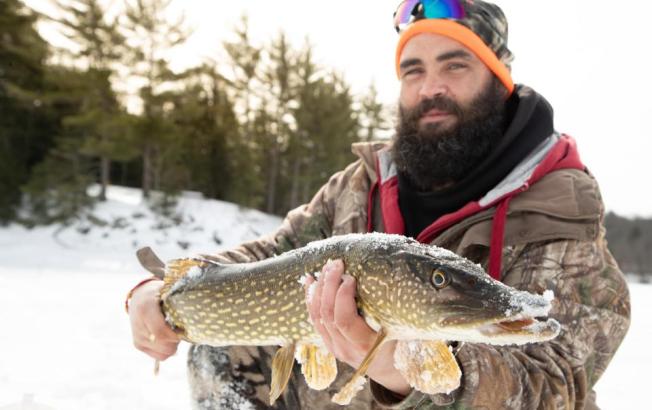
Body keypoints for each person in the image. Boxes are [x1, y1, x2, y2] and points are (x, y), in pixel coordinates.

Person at [126, 0, 631, 408]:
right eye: (413, 71)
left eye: (455, 65)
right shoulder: (358, 186)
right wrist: (161, 290)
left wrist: (405, 371)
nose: (431, 88)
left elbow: (557, 383)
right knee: (220, 354)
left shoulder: (560, 213)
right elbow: (270, 257)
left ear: (500, 79)